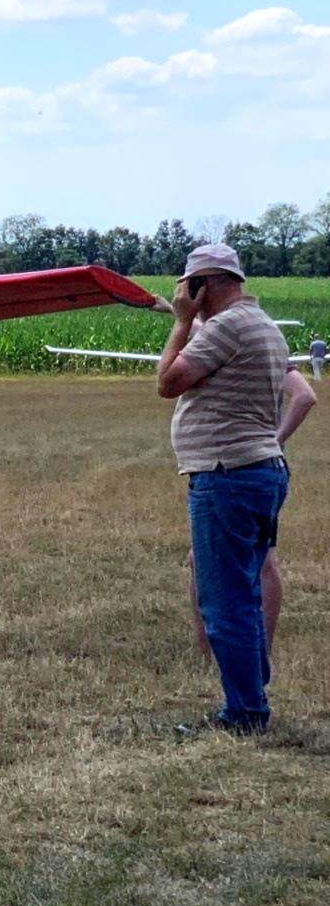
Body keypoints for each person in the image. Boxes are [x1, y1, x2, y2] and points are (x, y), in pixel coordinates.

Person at [158, 244, 294, 732]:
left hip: (226, 475)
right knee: (246, 591)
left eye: (187, 288)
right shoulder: (263, 325)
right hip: (260, 469)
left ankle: (245, 713)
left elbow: (169, 382)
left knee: (225, 600)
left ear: (201, 286)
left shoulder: (226, 327)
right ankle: (251, 695)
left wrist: (179, 322)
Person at [190, 365, 314, 667]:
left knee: (259, 562)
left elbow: (304, 396)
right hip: (234, 467)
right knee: (211, 558)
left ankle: (245, 654)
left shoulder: (256, 349)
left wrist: (275, 441)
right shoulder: (224, 339)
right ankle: (218, 654)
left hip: (246, 470)